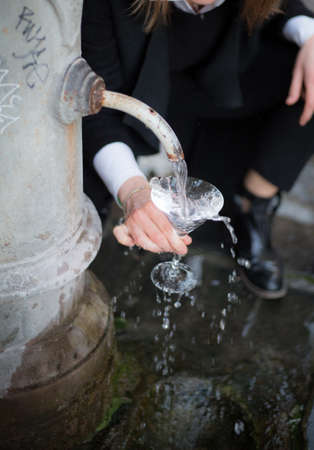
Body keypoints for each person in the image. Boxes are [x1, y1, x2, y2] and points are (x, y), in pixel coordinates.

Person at [81, 0, 314, 299]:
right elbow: (96, 106)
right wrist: (132, 191)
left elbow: (286, 6)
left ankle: (254, 205)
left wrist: (310, 35)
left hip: (225, 90)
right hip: (143, 98)